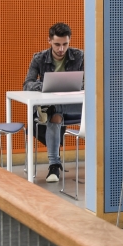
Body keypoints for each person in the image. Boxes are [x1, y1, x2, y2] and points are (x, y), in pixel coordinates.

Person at [23, 22, 84, 183]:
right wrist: (45, 86)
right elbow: (27, 83)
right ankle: (54, 164)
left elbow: (91, 81)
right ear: (49, 41)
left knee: (53, 110)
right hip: (54, 107)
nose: (61, 49)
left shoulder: (79, 56)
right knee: (55, 113)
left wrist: (77, 85)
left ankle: (55, 166)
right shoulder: (39, 58)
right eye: (57, 44)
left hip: (74, 106)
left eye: (65, 44)